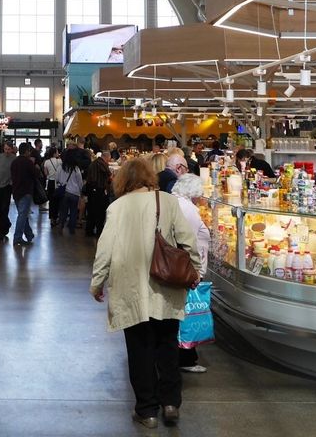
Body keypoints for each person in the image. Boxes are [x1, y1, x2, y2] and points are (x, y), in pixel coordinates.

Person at [91, 157, 201, 429]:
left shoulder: (117, 207)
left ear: (123, 180)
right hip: (166, 286)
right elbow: (188, 240)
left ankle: (147, 410)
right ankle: (171, 403)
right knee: (167, 346)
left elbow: (105, 248)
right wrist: (194, 271)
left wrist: (97, 281)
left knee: (140, 349)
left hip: (131, 288)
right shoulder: (168, 201)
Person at [170, 174, 210, 374]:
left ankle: (181, 356)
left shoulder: (174, 203)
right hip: (186, 269)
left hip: (177, 268)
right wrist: (197, 272)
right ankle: (185, 357)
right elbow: (191, 243)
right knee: (186, 315)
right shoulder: (189, 210)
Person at [10, 143, 38, 246]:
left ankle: (29, 234)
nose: (30, 152)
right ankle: (17, 238)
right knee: (22, 215)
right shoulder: (28, 162)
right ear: (26, 151)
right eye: (29, 151)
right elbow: (35, 174)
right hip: (26, 191)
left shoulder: (14, 162)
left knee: (23, 214)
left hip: (16, 191)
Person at [55, 149, 86, 234]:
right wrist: (81, 192)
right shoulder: (76, 169)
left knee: (63, 211)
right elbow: (80, 182)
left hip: (64, 193)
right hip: (75, 193)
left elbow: (56, 179)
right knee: (73, 211)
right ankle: (71, 229)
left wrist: (59, 185)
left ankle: (61, 226)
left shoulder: (61, 167)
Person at [0, 141, 16, 239]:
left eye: (9, 149)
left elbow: (14, 173)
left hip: (7, 186)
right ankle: (7, 223)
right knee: (0, 208)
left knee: (5, 208)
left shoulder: (14, 158)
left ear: (12, 149)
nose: (7, 151)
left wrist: (12, 182)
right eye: (5, 149)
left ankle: (2, 232)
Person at [83, 156, 112, 237]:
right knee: (101, 213)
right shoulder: (103, 165)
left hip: (91, 190)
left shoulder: (93, 164)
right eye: (109, 159)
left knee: (91, 211)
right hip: (100, 191)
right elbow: (108, 176)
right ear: (106, 157)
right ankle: (99, 231)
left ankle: (89, 230)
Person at [43, 147, 64, 225]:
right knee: (58, 201)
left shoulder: (46, 162)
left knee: (51, 201)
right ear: (55, 153)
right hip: (58, 182)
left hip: (50, 182)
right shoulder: (60, 161)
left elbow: (45, 173)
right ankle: (57, 217)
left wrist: (50, 175)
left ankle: (52, 218)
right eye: (57, 152)